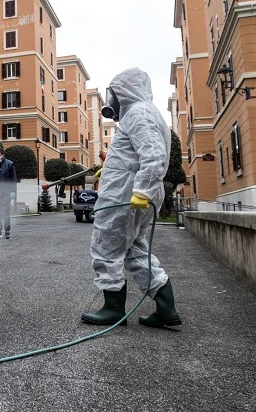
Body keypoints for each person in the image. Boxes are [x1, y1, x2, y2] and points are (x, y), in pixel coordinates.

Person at [81, 68, 182, 328]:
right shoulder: (142, 113)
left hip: (126, 196)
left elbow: (153, 155)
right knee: (136, 251)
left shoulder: (139, 112)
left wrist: (142, 191)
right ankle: (165, 306)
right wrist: (111, 167)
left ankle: (113, 309)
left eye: (114, 93)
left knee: (106, 247)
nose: (112, 100)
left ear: (125, 91)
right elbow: (137, 154)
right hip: (132, 193)